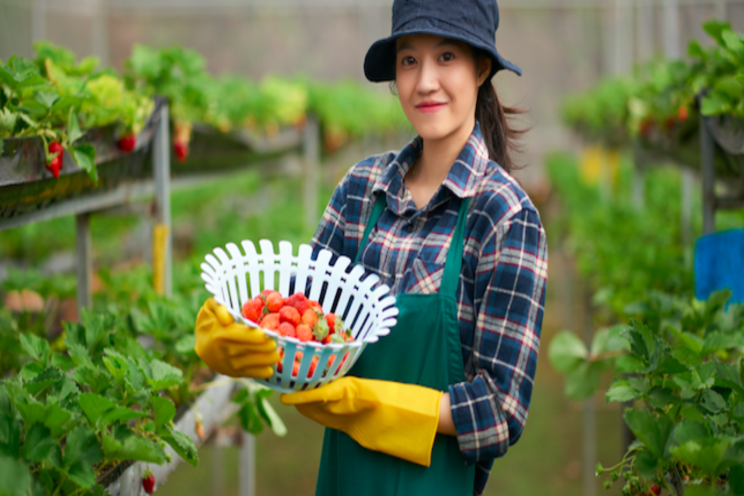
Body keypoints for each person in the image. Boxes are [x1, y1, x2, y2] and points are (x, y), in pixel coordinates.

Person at [194, 0, 548, 494]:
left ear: (481, 67)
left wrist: (374, 406)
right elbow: (302, 315)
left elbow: (500, 413)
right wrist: (239, 331)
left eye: (446, 57)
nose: (424, 81)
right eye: (409, 60)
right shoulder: (362, 190)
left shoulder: (505, 217)